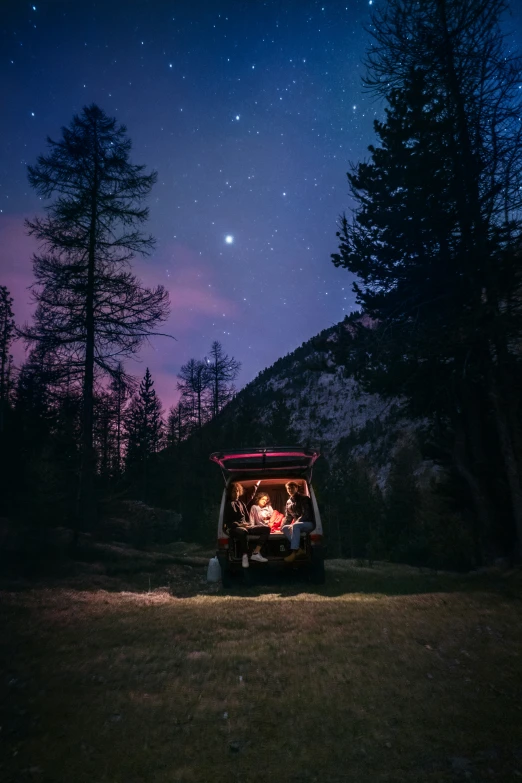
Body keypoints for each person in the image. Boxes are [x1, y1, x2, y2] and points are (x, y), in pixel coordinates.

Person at [224, 482, 270, 568]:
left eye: (237, 491)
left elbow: (251, 494)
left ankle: (256, 553)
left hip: (246, 526)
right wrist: (241, 525)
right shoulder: (228, 504)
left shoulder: (241, 503)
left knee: (266, 529)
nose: (236, 493)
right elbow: (229, 523)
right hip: (235, 528)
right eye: (234, 491)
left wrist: (248, 524)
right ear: (230, 493)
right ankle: (244, 555)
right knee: (243, 531)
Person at [281, 481, 315, 563]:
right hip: (298, 525)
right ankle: (299, 549)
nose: (290, 490)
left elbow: (306, 514)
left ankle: (294, 553)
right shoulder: (288, 502)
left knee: (296, 526)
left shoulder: (304, 498)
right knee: (284, 528)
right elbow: (288, 517)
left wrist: (295, 523)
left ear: (296, 488)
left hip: (308, 523)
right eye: (288, 488)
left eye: (292, 488)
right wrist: (282, 526)